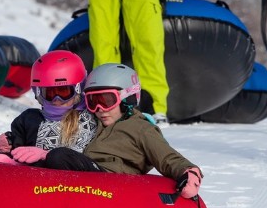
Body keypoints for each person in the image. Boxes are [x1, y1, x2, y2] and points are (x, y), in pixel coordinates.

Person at [36, 64, 202, 201]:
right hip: (85, 182)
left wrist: (188, 172)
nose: (99, 109)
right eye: (93, 101)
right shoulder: (94, 122)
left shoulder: (141, 129)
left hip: (111, 183)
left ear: (128, 98)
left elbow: (167, 157)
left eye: (107, 101)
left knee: (60, 156)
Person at [0, 50, 99, 165]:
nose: (56, 100)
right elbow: (17, 156)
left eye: (63, 92)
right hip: (33, 185)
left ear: (78, 88)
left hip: (74, 186)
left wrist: (46, 155)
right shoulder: (29, 120)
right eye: (49, 93)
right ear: (38, 93)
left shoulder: (93, 117)